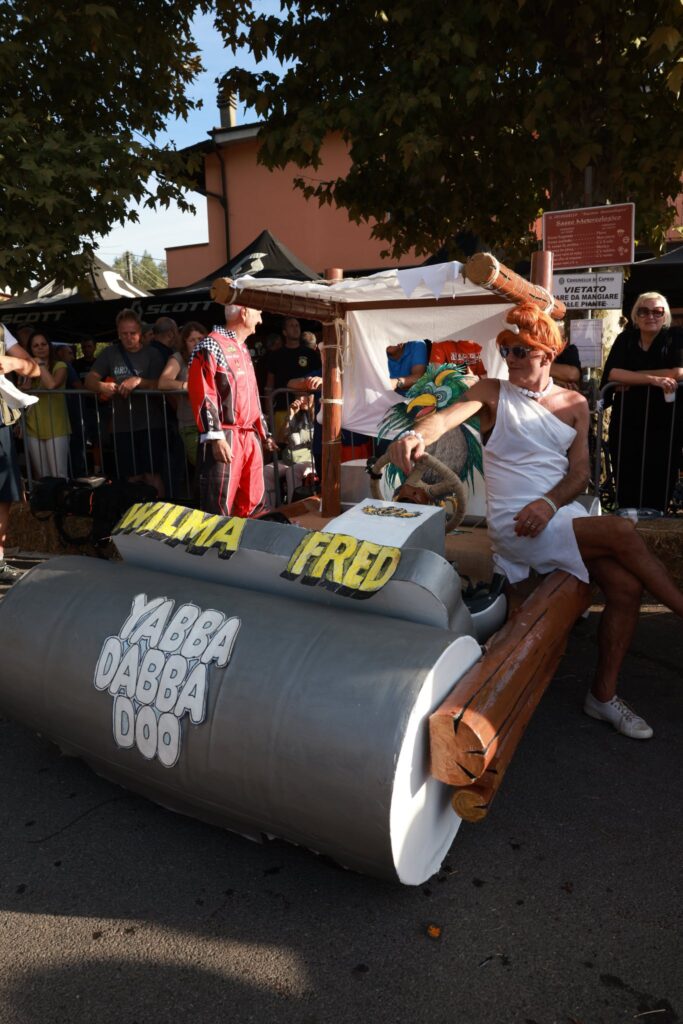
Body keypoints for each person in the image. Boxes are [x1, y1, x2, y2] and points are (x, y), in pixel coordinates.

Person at [388, 301, 683, 741]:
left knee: (624, 588)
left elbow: (580, 473)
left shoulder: (576, 404)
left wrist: (549, 503)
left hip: (556, 512)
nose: (510, 359)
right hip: (515, 525)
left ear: (547, 354)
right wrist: (415, 433)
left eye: (521, 351)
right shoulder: (491, 392)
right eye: (506, 350)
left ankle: (602, 697)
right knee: (621, 531)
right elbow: (446, 418)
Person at [188, 304, 277, 517]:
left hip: (249, 437)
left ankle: (250, 546)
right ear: (244, 313)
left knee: (254, 503)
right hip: (225, 436)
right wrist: (215, 438)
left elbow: (252, 394)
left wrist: (264, 432)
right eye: (259, 313)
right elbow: (203, 394)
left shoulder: (243, 347)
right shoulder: (209, 344)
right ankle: (214, 548)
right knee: (218, 506)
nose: (261, 320)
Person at [600, 292, 682, 511]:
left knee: (660, 462)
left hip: (665, 416)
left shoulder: (675, 336)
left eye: (657, 311)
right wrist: (653, 379)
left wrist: (633, 377)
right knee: (626, 461)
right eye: (643, 311)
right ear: (635, 315)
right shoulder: (625, 339)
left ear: (665, 316)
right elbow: (613, 374)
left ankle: (657, 511)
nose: (650, 316)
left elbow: (678, 372)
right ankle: (627, 511)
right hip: (628, 414)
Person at [85, 308, 166, 496]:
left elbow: (159, 384)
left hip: (150, 423)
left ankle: (160, 516)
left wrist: (138, 381)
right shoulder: (110, 353)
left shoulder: (152, 354)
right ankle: (133, 518)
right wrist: (100, 386)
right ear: (118, 333)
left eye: (133, 333)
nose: (129, 338)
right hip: (122, 426)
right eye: (124, 334)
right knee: (131, 477)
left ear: (141, 333)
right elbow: (89, 379)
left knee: (152, 475)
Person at [0, 323, 39, 582]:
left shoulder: (1, 331)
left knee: (3, 494)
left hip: (0, 422)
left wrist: (12, 364)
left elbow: (34, 367)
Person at [21, 331, 72, 480]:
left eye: (43, 344)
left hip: (56, 427)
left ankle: (63, 503)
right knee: (43, 477)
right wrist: (28, 377)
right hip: (33, 427)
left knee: (59, 475)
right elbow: (22, 391)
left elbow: (51, 384)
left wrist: (40, 363)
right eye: (35, 346)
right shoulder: (28, 370)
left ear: (49, 346)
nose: (40, 348)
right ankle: (48, 504)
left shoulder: (60, 365)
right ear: (30, 349)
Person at [158, 321, 205, 467]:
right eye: (192, 340)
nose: (197, 343)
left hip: (213, 423)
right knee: (202, 468)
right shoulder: (178, 358)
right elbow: (163, 383)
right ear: (185, 343)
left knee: (216, 471)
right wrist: (186, 386)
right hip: (191, 423)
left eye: (200, 339)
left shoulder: (211, 356)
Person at [265, 317, 321, 433]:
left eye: (297, 325)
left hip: (307, 409)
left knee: (307, 447)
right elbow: (269, 385)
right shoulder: (275, 355)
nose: (295, 328)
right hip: (283, 409)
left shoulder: (310, 354)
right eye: (291, 326)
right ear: (284, 332)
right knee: (283, 446)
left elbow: (320, 379)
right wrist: (268, 411)